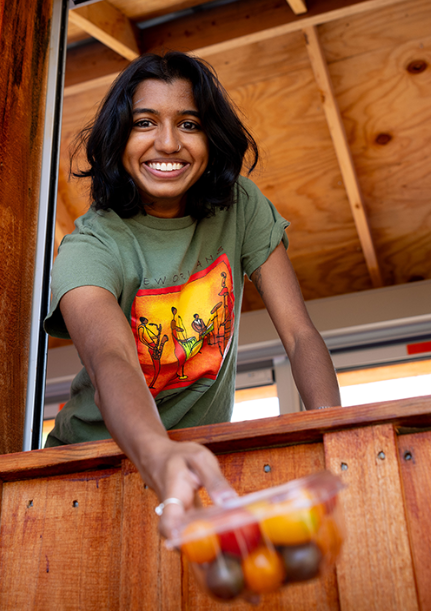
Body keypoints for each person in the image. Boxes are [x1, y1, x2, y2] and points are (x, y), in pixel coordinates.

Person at [43, 52, 341, 536]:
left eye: (189, 123)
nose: (168, 143)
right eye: (144, 122)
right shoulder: (91, 248)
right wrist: (159, 454)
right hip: (86, 468)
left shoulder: (241, 207)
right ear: (118, 137)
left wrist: (337, 437)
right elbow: (110, 362)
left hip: (193, 459)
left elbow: (300, 334)